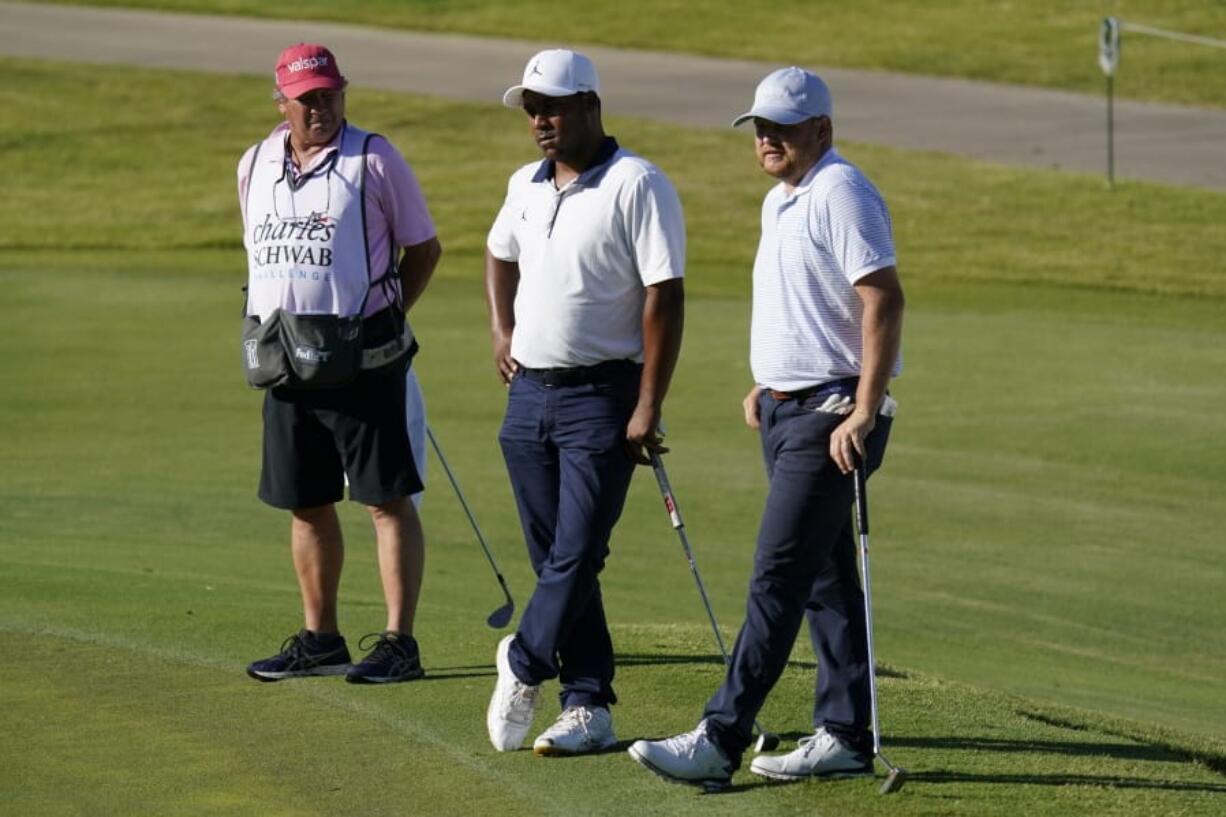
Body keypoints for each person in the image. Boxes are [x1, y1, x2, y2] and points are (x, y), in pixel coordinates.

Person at [628, 66, 904, 789]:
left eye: (782, 127)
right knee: (823, 573)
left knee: (778, 573)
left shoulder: (841, 191)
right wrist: (771, 380)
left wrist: (865, 407)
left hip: (833, 414)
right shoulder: (780, 201)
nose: (767, 139)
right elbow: (813, 304)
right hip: (787, 408)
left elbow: (883, 299)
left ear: (822, 128)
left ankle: (721, 737)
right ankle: (846, 732)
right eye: (760, 127)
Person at [483, 49, 686, 756]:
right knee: (559, 562)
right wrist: (501, 327)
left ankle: (526, 659)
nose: (540, 120)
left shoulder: (638, 184)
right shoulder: (525, 184)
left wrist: (648, 403)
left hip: (604, 395)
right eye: (532, 108)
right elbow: (499, 251)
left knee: (577, 551)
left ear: (591, 106)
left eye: (553, 106)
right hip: (529, 394)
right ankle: (589, 702)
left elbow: (665, 294)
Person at [238, 43, 442, 684]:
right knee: (307, 502)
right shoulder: (253, 163)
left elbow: (424, 249)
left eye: (329, 94)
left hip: (364, 364)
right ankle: (321, 637)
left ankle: (398, 642)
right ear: (283, 104)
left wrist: (386, 317)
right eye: (307, 98)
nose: (320, 107)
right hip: (284, 361)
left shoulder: (373, 159)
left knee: (386, 502)